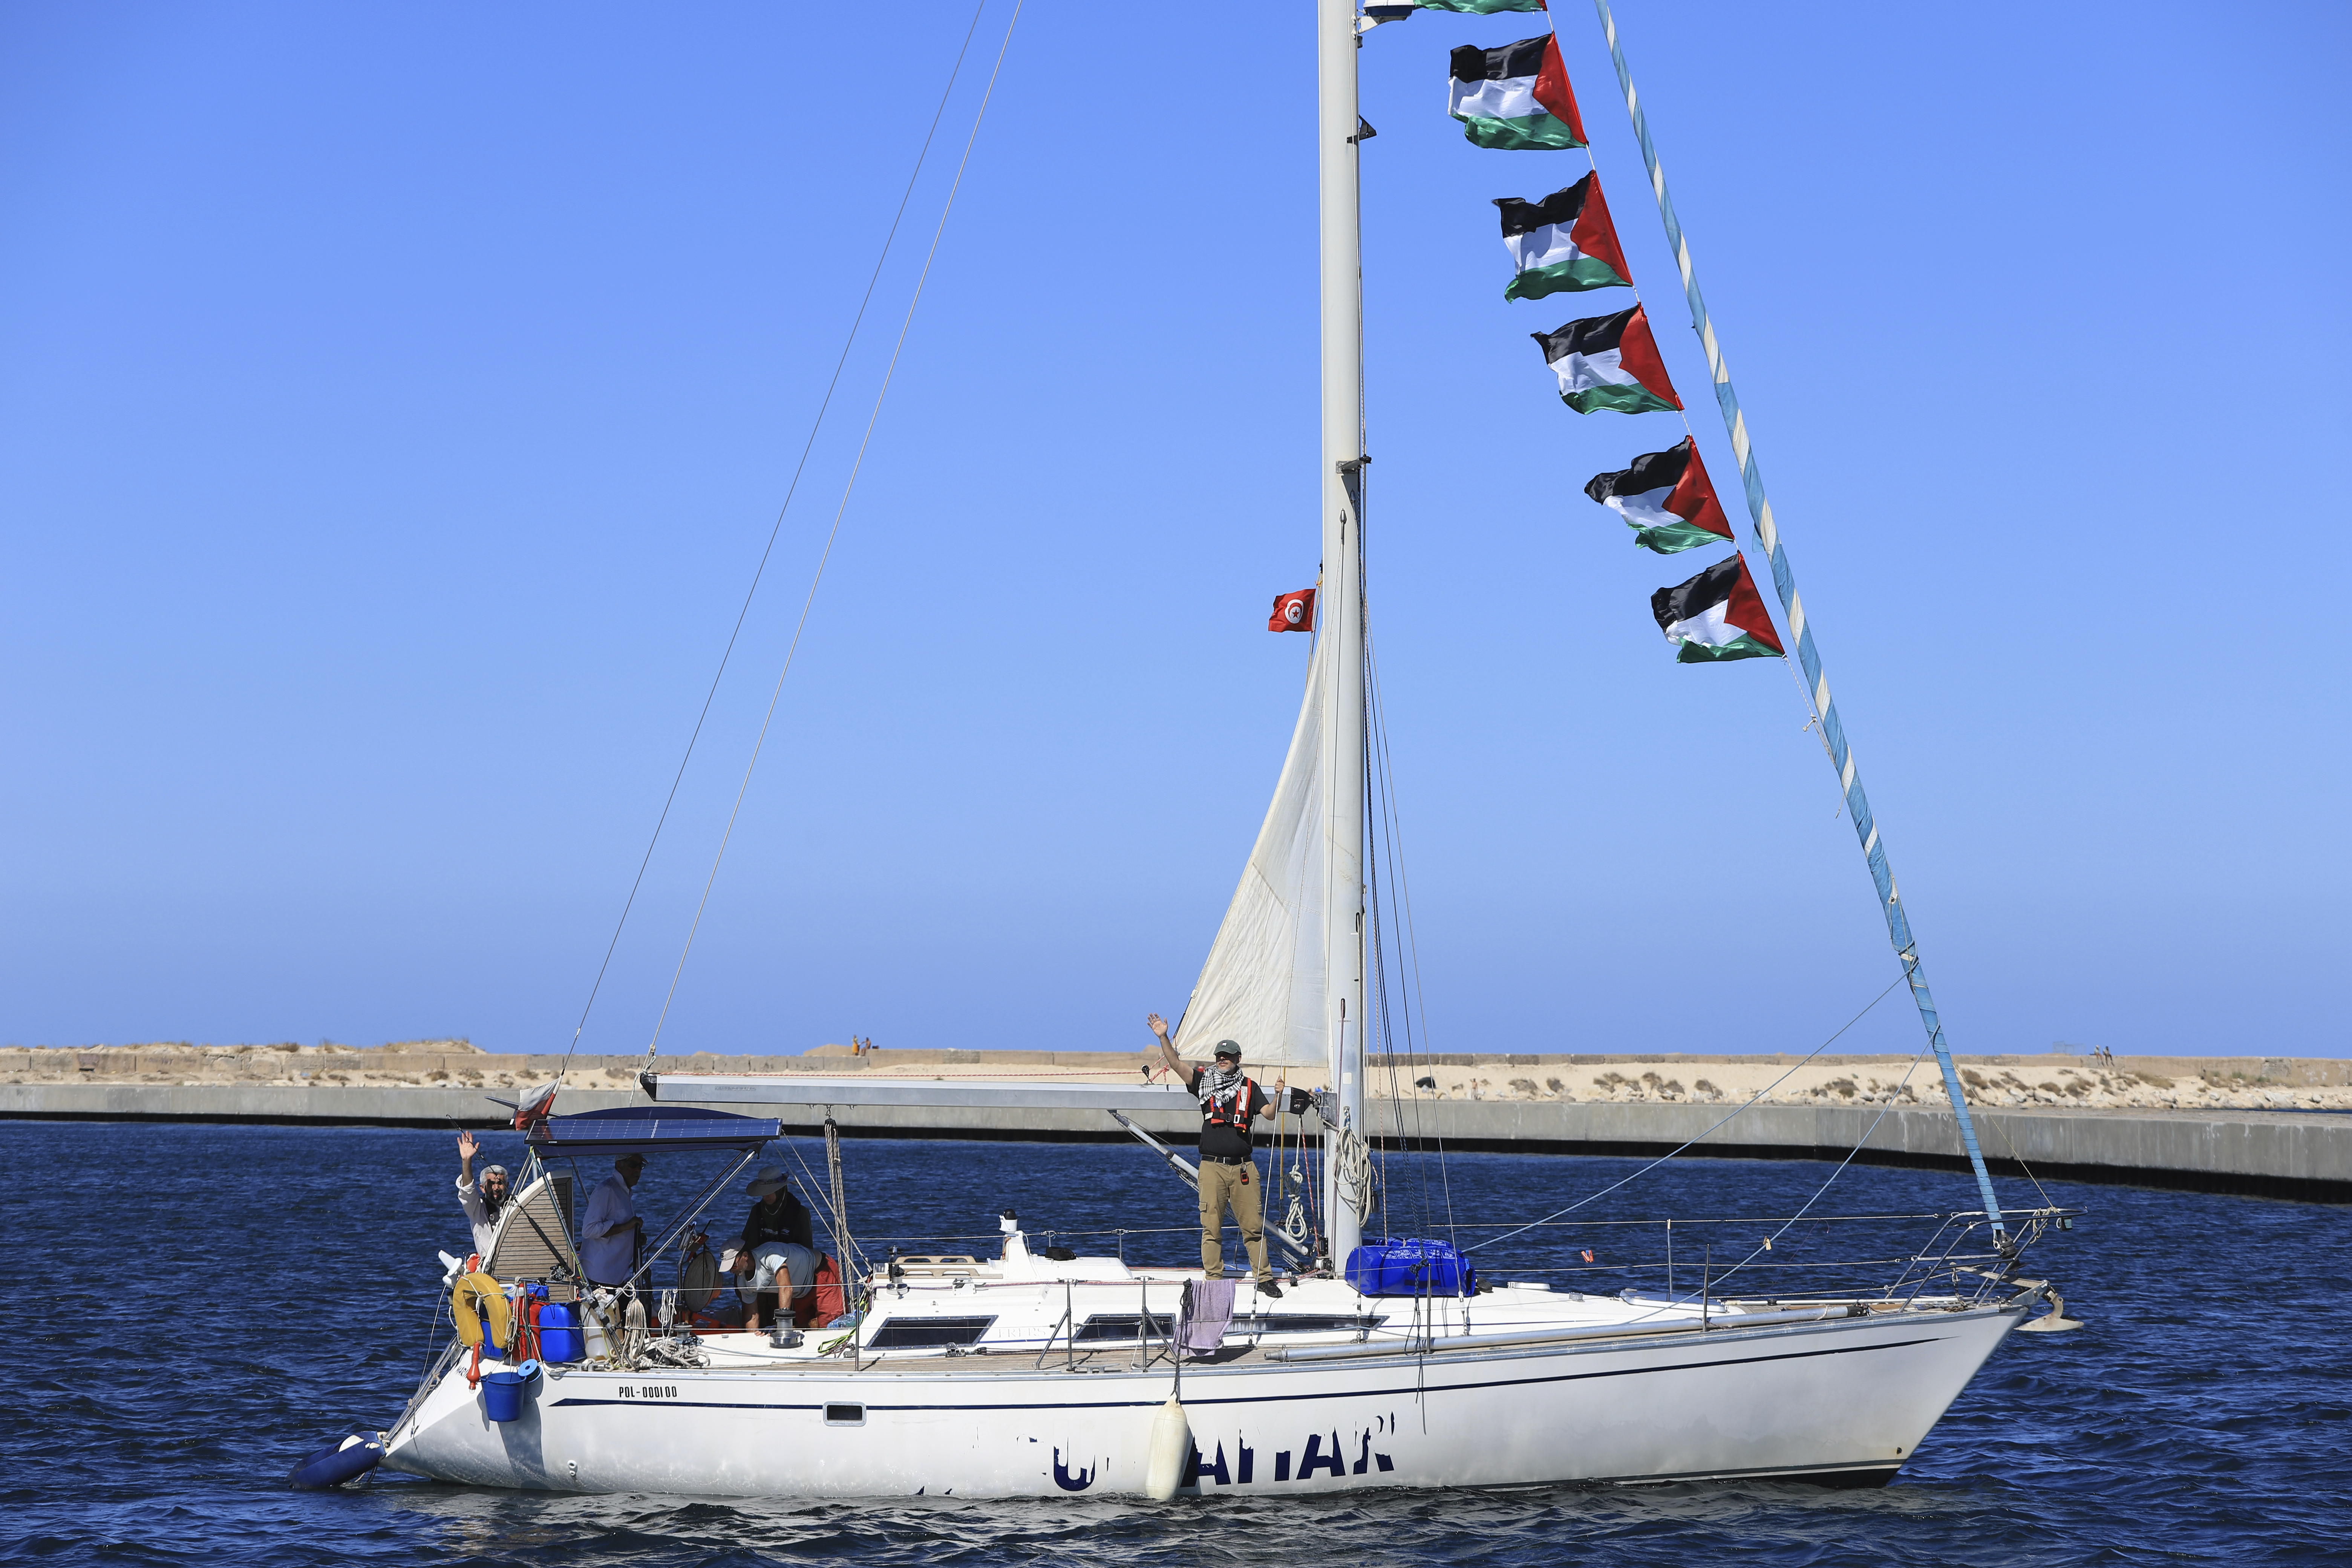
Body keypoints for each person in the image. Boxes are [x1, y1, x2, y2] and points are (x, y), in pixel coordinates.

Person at [1147, 1014, 1282, 1298]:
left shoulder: (1250, 1088)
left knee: (1253, 1227)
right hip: (1212, 1169)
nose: (1223, 1060)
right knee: (1211, 1228)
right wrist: (1163, 1037)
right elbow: (1176, 1064)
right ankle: (1214, 1280)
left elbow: (1269, 1114)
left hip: (1243, 1169)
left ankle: (1264, 1278)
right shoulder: (1203, 1082)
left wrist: (1279, 1095)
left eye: (1228, 1056)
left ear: (1238, 1059)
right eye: (1220, 1056)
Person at [737, 1167, 818, 1331]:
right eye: (763, 1192)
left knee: (788, 1306)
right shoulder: (756, 1212)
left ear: (781, 1189)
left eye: (771, 1191)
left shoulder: (800, 1212)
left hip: (790, 1273)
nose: (766, 1196)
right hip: (762, 1275)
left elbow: (807, 1250)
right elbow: (747, 1246)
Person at [580, 1152, 646, 1289]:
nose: (637, 1170)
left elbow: (623, 1228)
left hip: (620, 1277)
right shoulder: (606, 1190)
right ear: (619, 1166)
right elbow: (589, 1230)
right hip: (600, 1277)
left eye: (640, 1166)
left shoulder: (624, 1192)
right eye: (633, 1165)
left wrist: (635, 1237)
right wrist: (626, 1227)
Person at [454, 1130, 510, 1260]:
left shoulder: (517, 1205)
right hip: (490, 1266)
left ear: (507, 1185)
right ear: (483, 1188)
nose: (496, 1188)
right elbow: (468, 1191)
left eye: (500, 1183)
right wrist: (466, 1160)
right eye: (491, 1184)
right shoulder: (476, 1210)